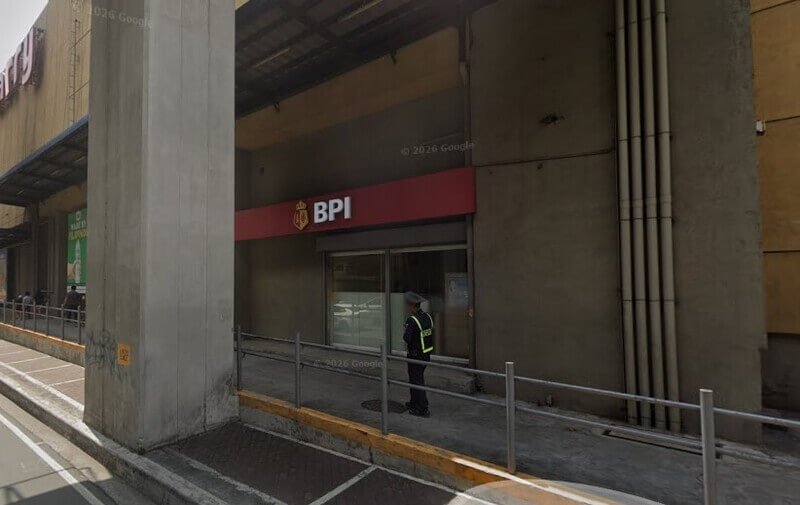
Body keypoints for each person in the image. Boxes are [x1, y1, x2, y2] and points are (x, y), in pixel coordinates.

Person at [402, 291, 434, 417]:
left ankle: (422, 408)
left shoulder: (412, 320)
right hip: (426, 354)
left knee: (416, 381)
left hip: (415, 355)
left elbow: (407, 338)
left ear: (411, 305)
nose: (405, 307)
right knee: (416, 379)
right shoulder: (427, 317)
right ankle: (414, 402)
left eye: (407, 305)